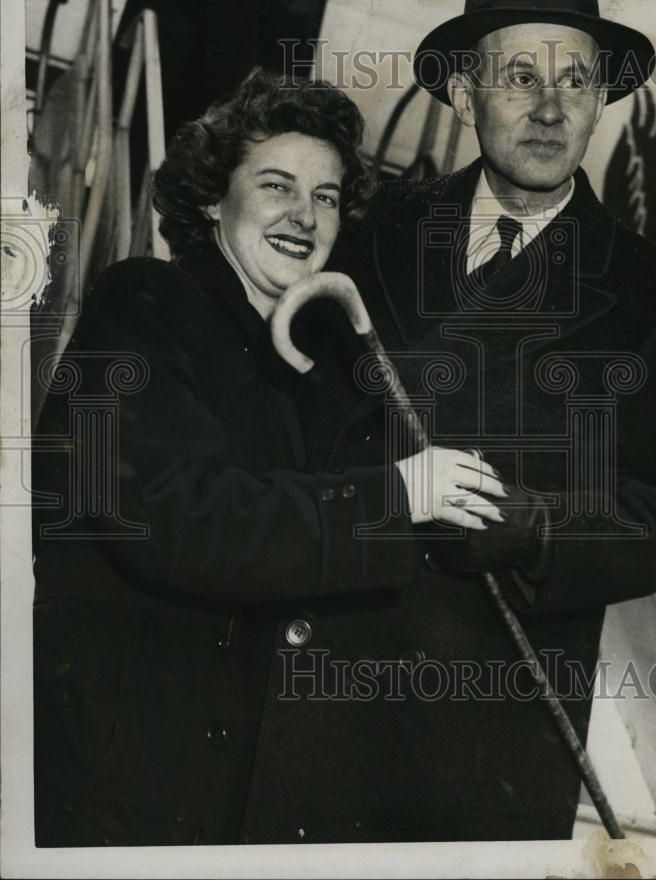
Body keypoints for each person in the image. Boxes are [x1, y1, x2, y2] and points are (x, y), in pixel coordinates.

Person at [31, 69, 503, 846]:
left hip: (230, 785)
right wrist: (395, 495)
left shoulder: (296, 360)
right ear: (213, 197)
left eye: (325, 196)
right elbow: (182, 522)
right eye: (277, 185)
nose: (304, 215)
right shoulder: (142, 304)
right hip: (117, 780)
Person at [298, 0, 656, 841]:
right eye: (519, 76)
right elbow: (299, 441)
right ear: (464, 92)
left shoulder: (652, 294)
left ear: (602, 98)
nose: (550, 109)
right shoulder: (371, 243)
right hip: (332, 692)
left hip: (500, 726)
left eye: (576, 82)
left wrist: (545, 529)